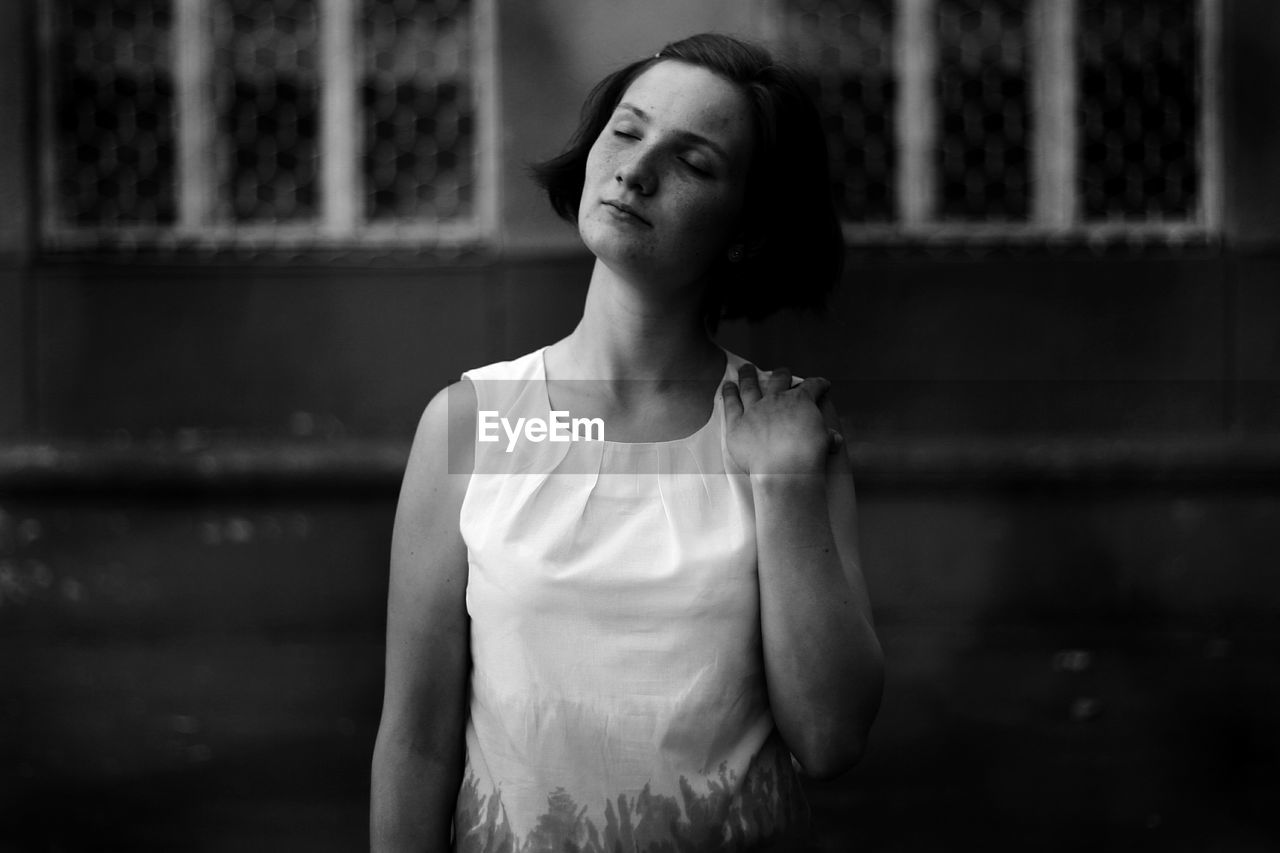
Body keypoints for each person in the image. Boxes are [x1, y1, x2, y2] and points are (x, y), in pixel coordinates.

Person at [371, 32, 883, 852]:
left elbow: (829, 739)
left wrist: (784, 485)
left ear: (747, 229)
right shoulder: (470, 424)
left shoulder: (787, 438)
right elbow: (415, 740)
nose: (636, 170)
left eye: (695, 163)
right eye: (627, 129)